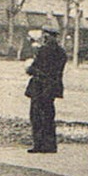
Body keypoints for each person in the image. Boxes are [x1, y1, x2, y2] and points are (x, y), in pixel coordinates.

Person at [24, 23, 68, 153]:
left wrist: (29, 69)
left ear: (47, 36)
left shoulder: (43, 50)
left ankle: (39, 145)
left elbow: (36, 69)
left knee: (36, 115)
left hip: (40, 87)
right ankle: (50, 145)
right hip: (52, 88)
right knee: (49, 115)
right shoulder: (61, 52)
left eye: (45, 35)